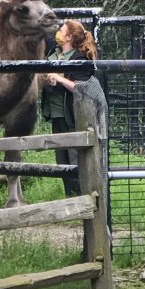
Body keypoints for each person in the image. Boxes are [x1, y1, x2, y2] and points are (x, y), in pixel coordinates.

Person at [41, 19, 98, 197]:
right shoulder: (53, 52)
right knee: (61, 159)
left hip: (73, 116)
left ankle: (83, 197)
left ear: (68, 37)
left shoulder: (80, 59)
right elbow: (41, 33)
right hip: (57, 114)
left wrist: (59, 79)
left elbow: (80, 88)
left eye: (61, 29)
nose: (57, 31)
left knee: (75, 157)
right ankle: (70, 197)